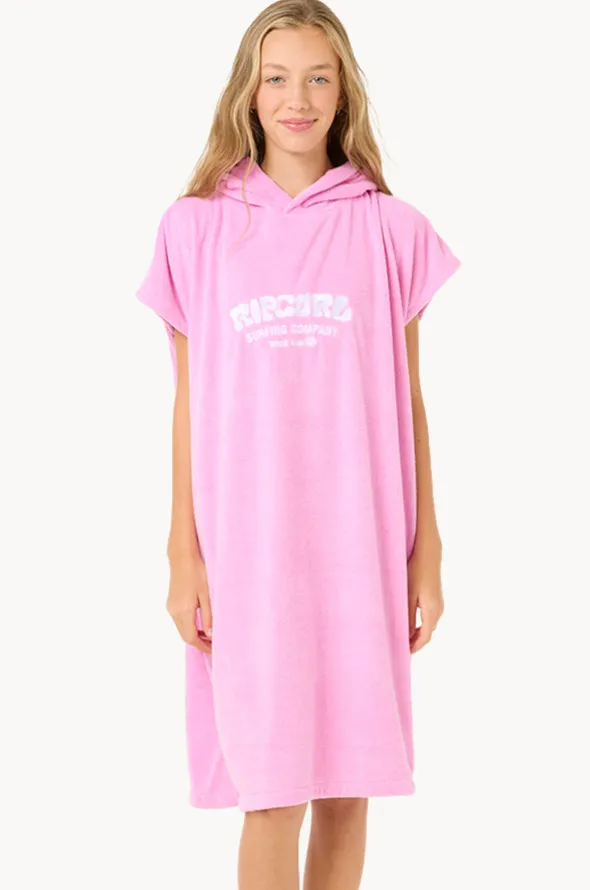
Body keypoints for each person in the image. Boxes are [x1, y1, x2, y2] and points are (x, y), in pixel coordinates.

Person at [135, 1, 461, 887]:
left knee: (349, 788)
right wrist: (182, 552)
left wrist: (427, 549)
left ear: (343, 91)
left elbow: (410, 398)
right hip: (249, 552)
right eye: (277, 78)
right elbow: (188, 401)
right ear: (248, 92)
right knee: (271, 791)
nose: (298, 99)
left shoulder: (389, 230)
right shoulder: (197, 229)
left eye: (319, 78)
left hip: (362, 543)